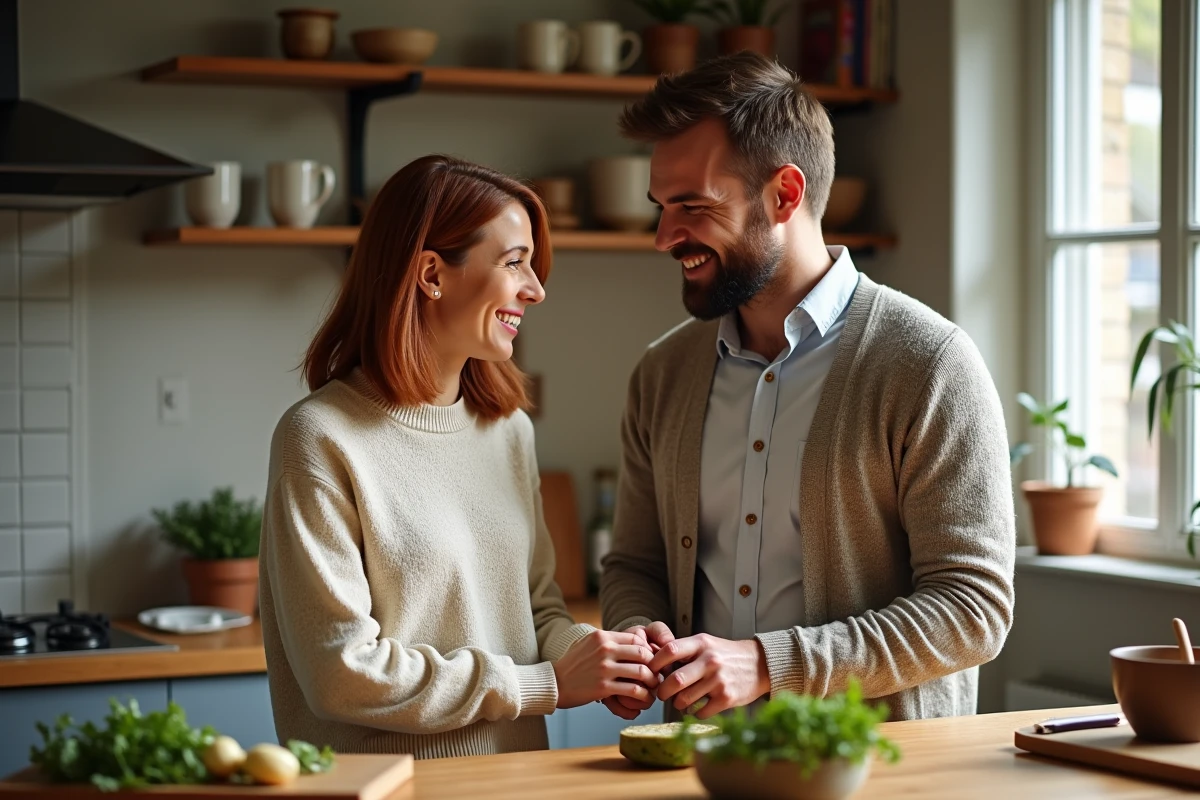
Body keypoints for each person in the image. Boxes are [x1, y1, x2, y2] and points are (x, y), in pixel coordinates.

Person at [598, 53, 1016, 723]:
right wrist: (639, 633)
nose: (664, 237)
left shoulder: (929, 364)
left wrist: (767, 664)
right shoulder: (662, 374)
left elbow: (973, 610)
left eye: (692, 206)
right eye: (661, 207)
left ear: (784, 196)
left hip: (878, 773)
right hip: (704, 765)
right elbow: (634, 564)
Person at [259, 154, 657, 759]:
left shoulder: (509, 432)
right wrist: (546, 685)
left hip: (515, 780)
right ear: (430, 273)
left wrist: (596, 657)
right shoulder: (319, 438)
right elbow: (341, 673)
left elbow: (535, 610)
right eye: (514, 263)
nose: (537, 289)